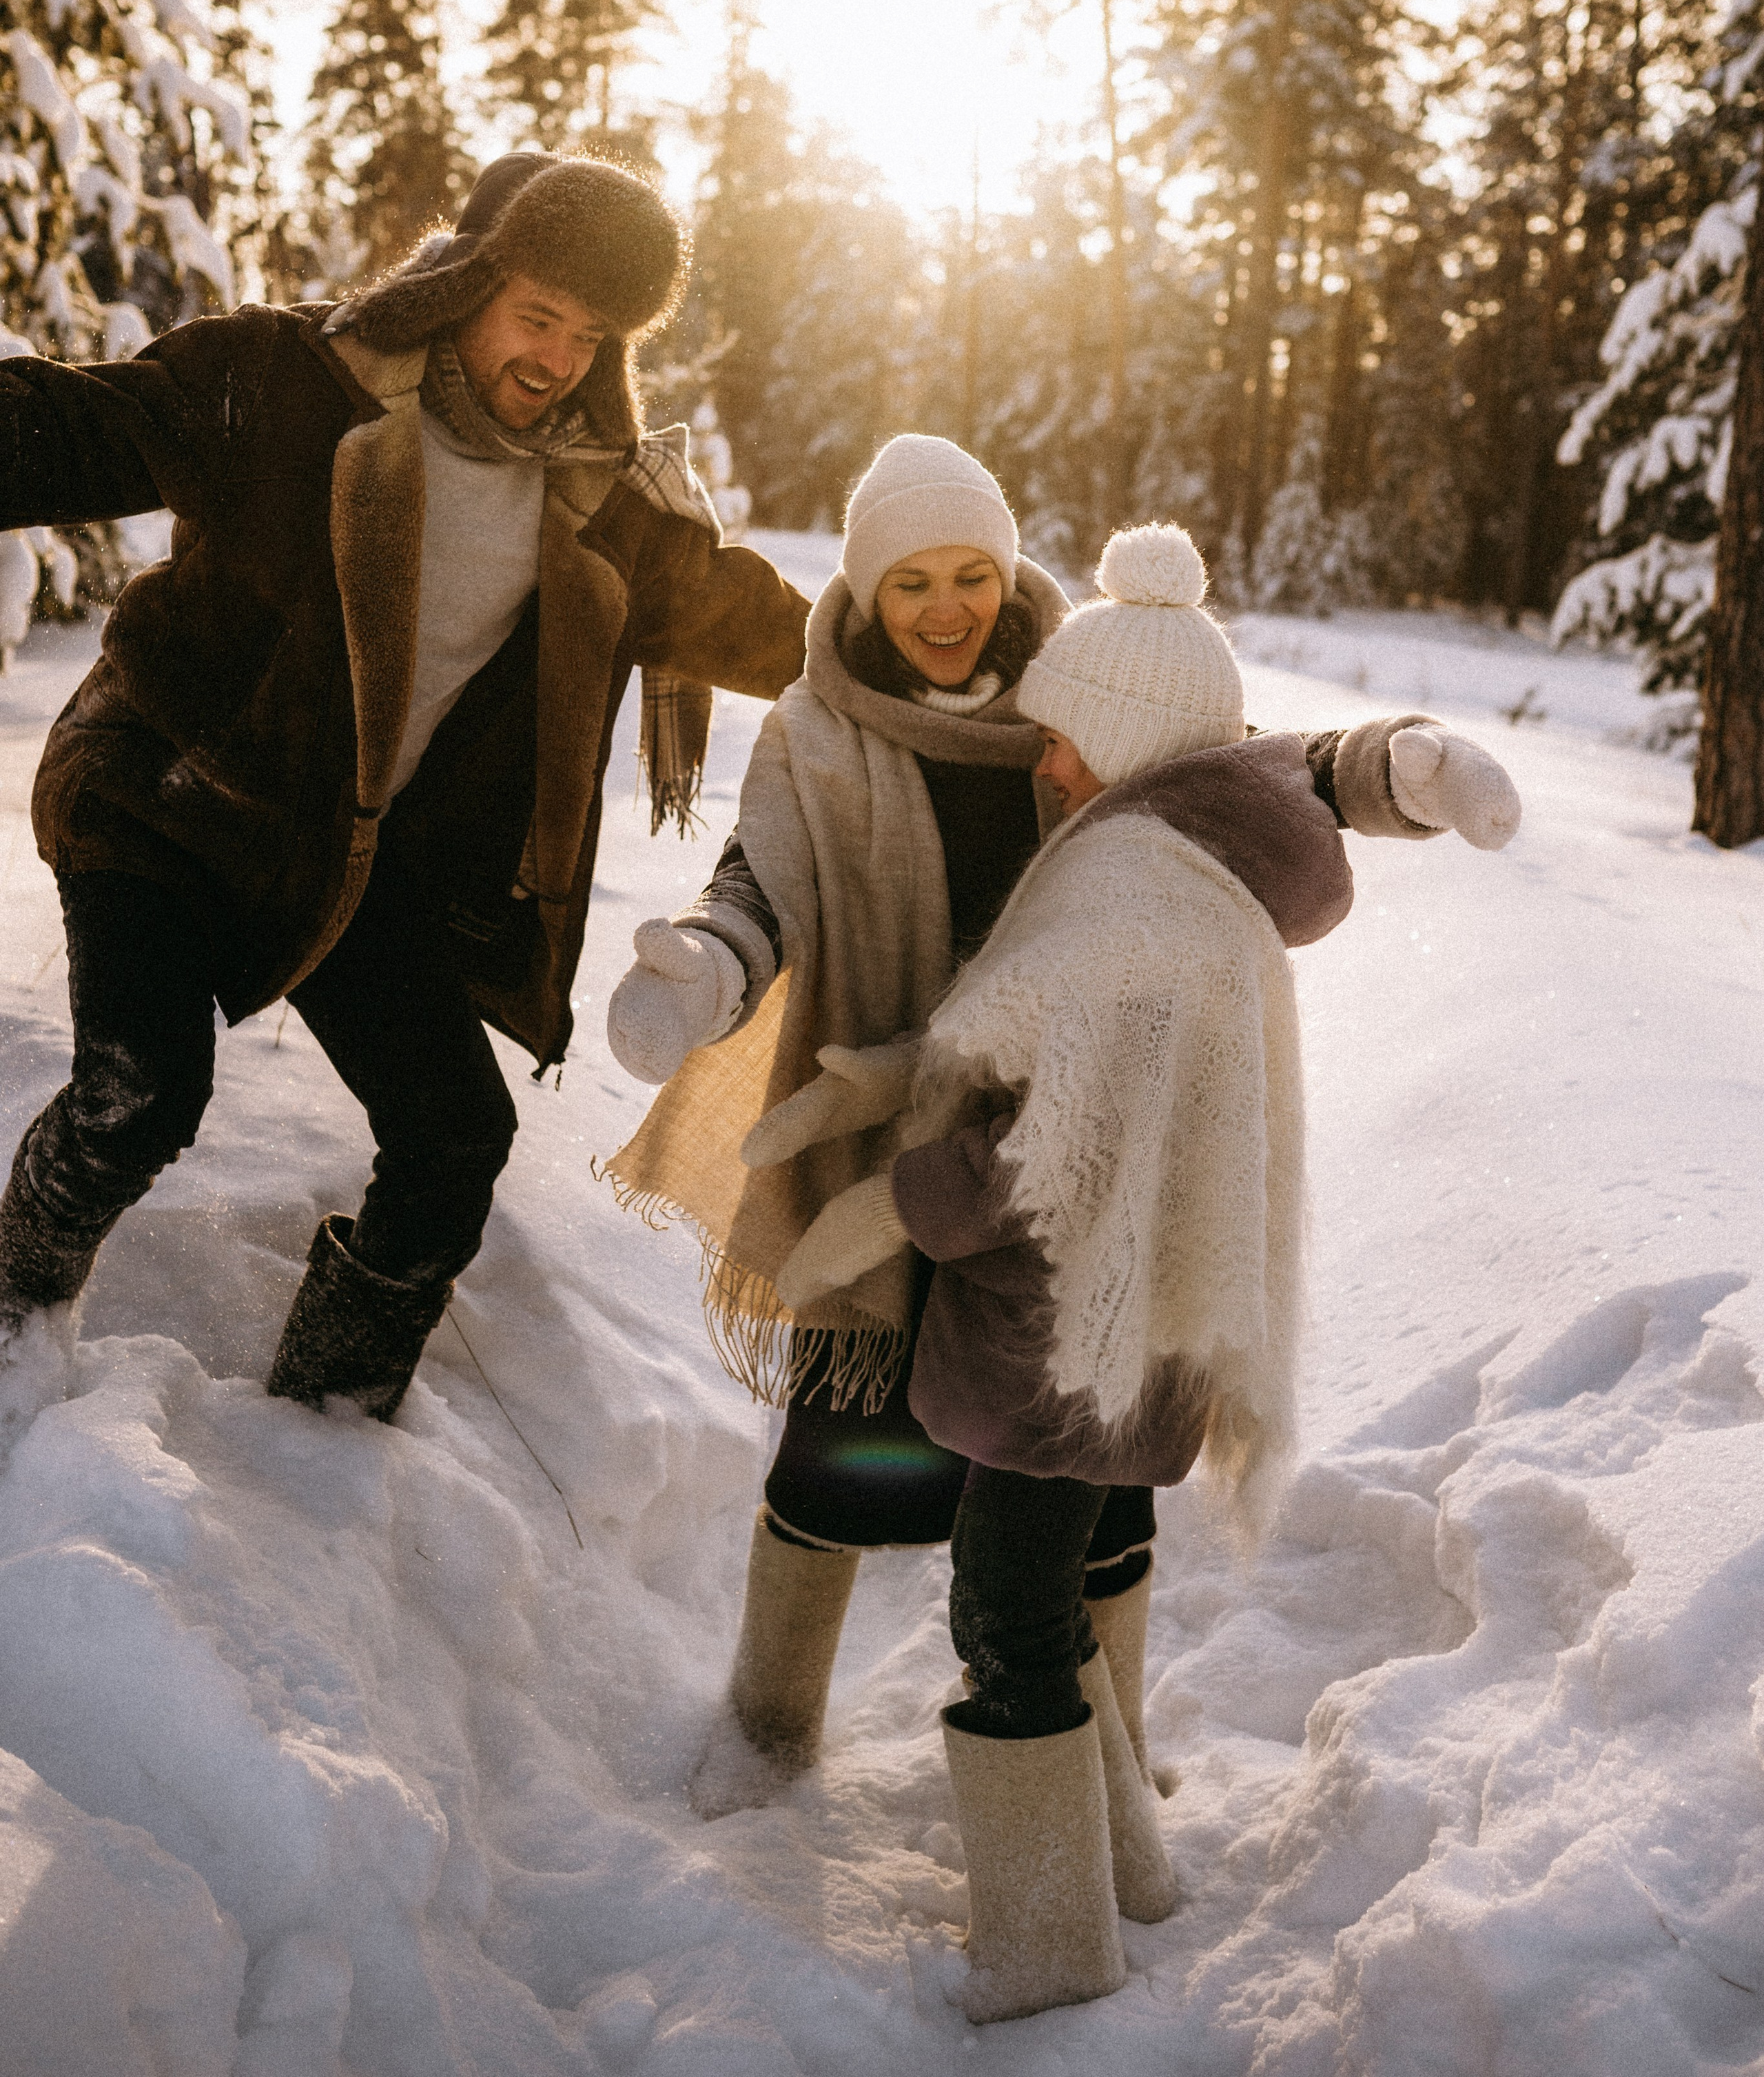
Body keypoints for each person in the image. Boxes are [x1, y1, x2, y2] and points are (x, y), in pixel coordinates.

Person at [602, 440, 1519, 1828]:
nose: (946, 605)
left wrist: (1392, 765)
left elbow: (1245, 764)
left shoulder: (1086, 684)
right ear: (866, 589)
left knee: (1084, 1464)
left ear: (1006, 567)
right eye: (910, 580)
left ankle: (1113, 1747)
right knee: (843, 1445)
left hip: (1082, 1138)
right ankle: (770, 1721)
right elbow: (759, 885)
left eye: (971, 571)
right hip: (895, 1121)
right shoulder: (818, 728)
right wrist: (702, 969)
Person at [770, 522, 1518, 2021]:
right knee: (1045, 1606)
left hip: (1063, 1337)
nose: (1040, 766)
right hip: (1138, 1320)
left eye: (1059, 740)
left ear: (1116, 746)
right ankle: (1125, 1874)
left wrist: (906, 1191)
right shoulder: (1181, 859)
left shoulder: (1125, 906)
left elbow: (1042, 1160)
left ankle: (1046, 1949)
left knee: (1007, 1620)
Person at [0, 151, 811, 1436]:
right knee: (143, 1083)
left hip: (334, 854)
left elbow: (761, 626)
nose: (557, 359)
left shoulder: (598, 505)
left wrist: (972, 666)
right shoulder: (284, 382)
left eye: (590, 337)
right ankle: (12, 1305)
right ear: (467, 281)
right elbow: (73, 427)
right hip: (160, 795)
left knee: (453, 1141)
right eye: (537, 316)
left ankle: (325, 1423)